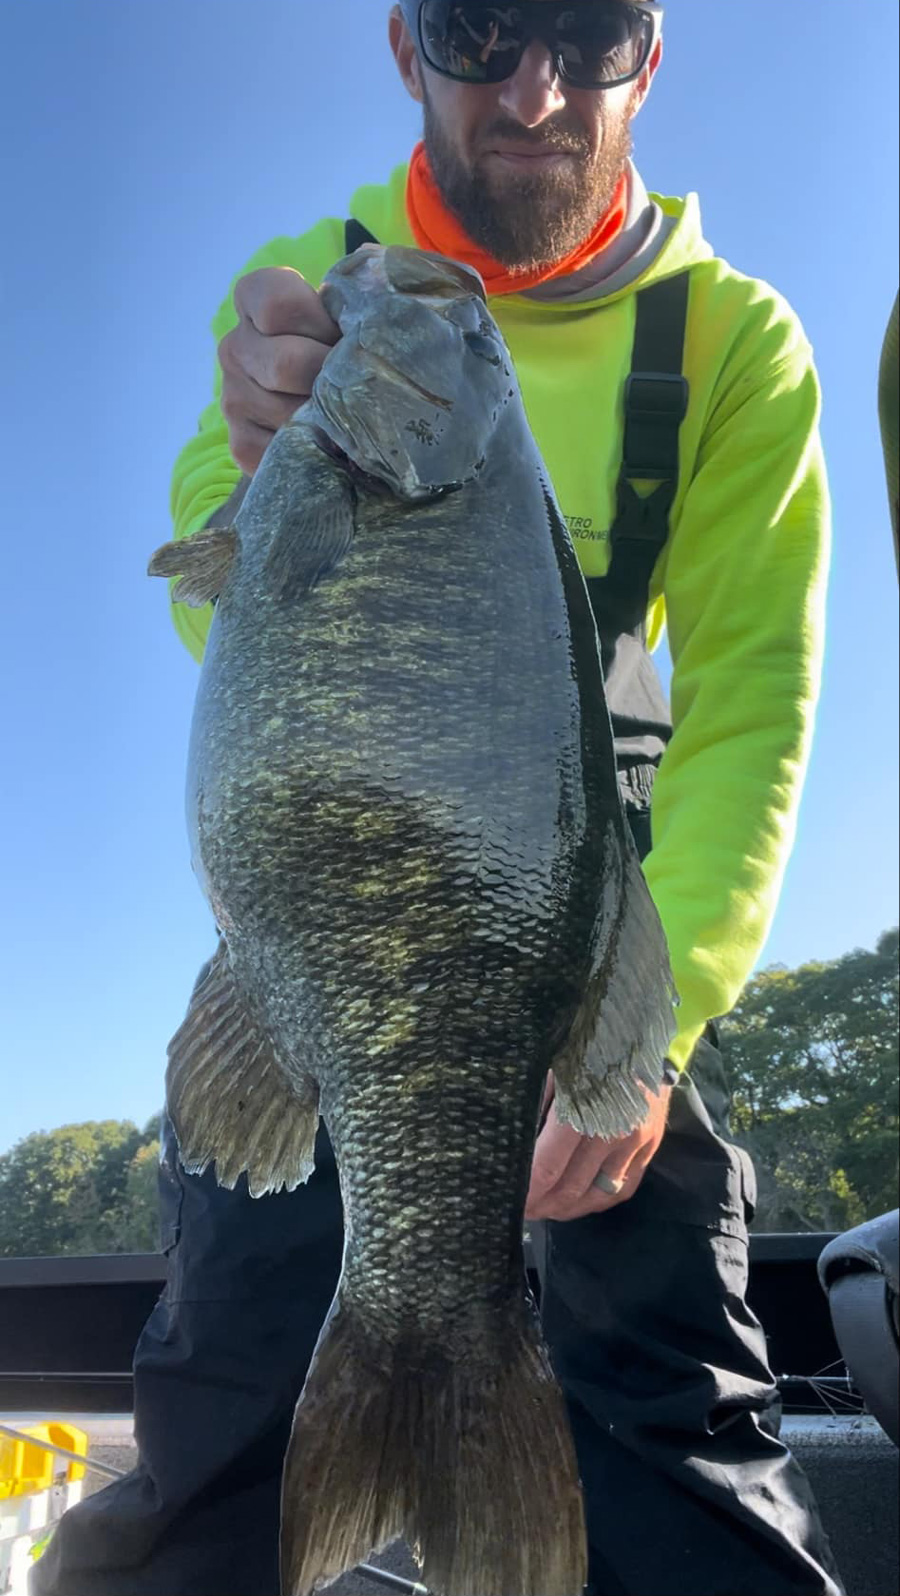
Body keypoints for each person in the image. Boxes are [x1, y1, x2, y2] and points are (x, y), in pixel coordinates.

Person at [33, 3, 846, 1593]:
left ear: (650, 57)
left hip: (598, 950)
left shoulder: (735, 337)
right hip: (311, 964)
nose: (534, 85)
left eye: (588, 31)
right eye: (481, 29)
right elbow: (210, 582)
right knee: (213, 1451)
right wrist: (260, 468)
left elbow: (758, 700)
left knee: (677, 1436)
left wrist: (651, 1036)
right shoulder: (309, 276)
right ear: (408, 50)